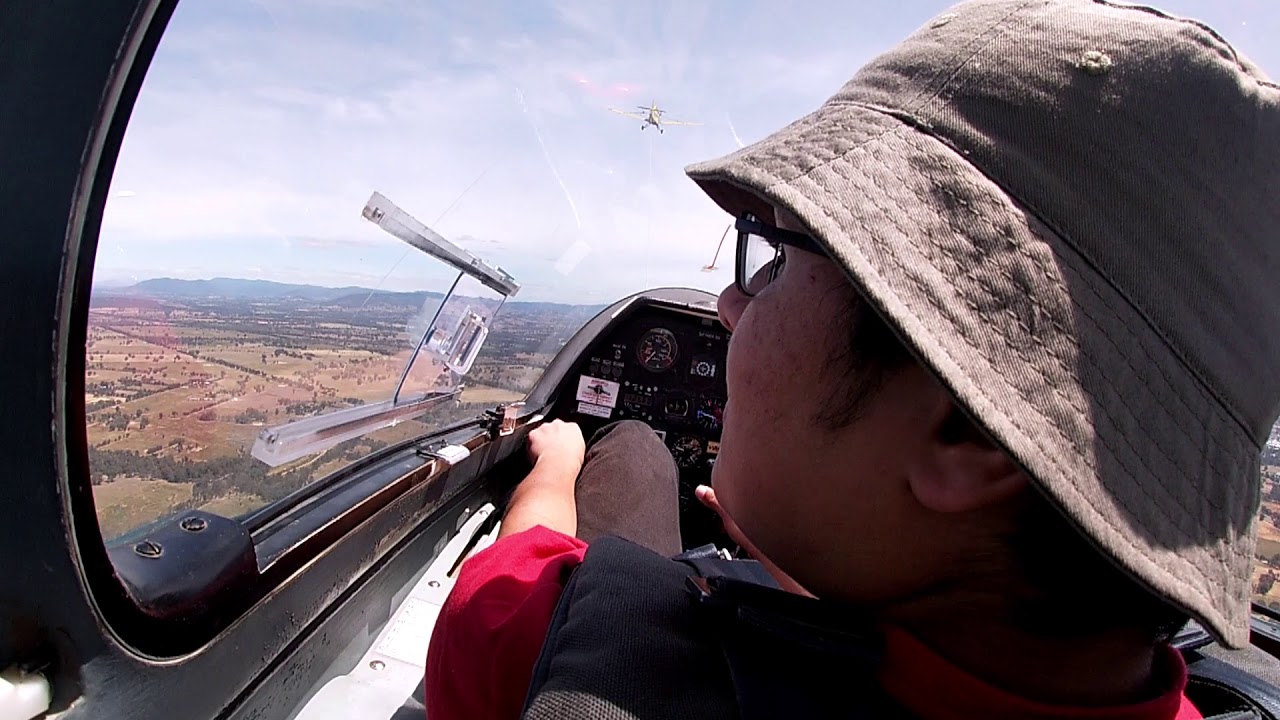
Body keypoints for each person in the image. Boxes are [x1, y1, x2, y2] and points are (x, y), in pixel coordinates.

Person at [425, 0, 1280, 717]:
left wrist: (557, 460)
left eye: (779, 258)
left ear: (967, 426)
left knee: (637, 451)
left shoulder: (551, 651)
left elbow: (507, 576)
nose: (729, 303)